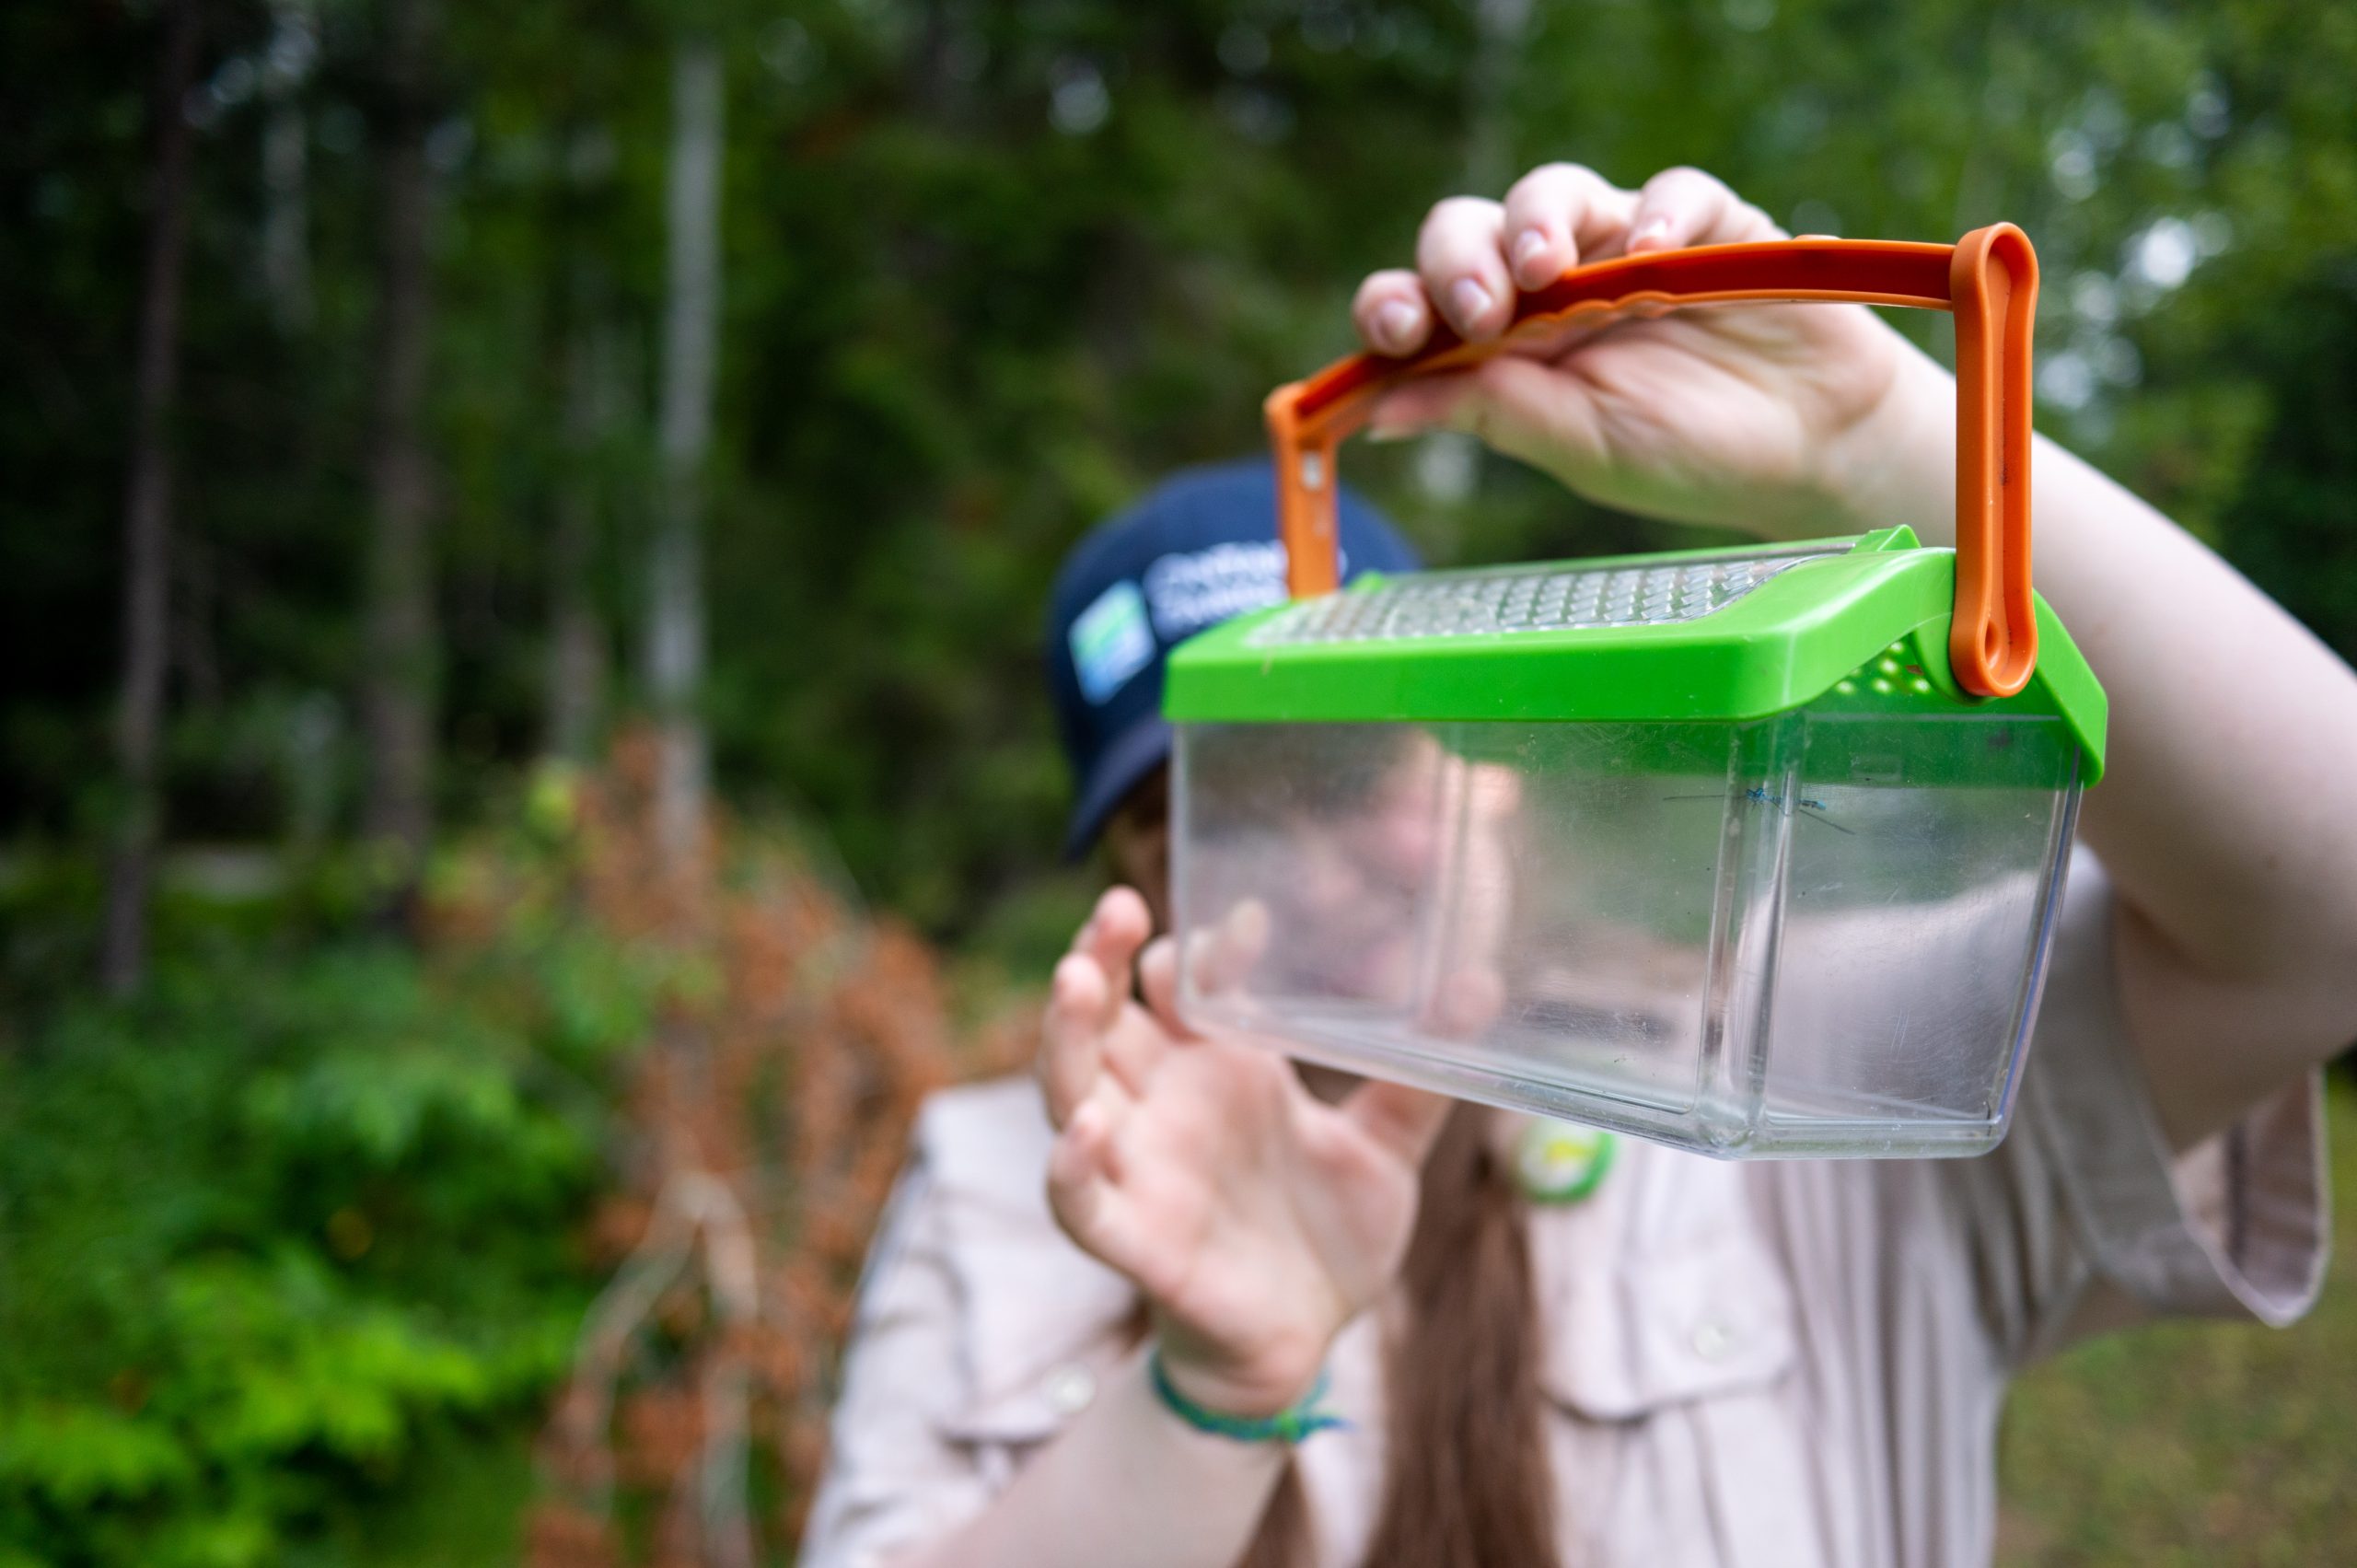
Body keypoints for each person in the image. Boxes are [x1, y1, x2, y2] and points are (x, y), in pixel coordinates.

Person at [797, 163, 2357, 1568]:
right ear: (1140, 875)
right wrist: (1204, 1393)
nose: (1319, 860)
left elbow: (2325, 911)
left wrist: (1875, 443)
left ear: (1490, 768)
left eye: (1358, 763)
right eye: (1213, 807)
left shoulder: (1771, 1063)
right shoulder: (1016, 1185)